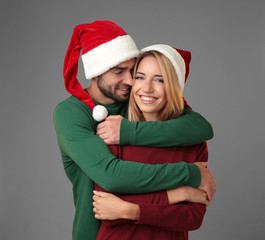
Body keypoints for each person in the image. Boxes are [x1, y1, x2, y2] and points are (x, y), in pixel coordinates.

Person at [53, 21, 215, 240]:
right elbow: (111, 179)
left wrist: (129, 131)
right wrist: (187, 179)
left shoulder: (137, 102)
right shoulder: (72, 113)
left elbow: (200, 126)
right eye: (119, 72)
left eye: (133, 71)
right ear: (96, 72)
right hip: (97, 233)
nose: (130, 81)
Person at [93, 45, 213, 239]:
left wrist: (130, 210)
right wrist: (179, 194)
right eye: (140, 77)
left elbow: (192, 217)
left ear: (175, 87)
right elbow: (105, 207)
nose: (147, 88)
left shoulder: (193, 142)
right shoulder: (113, 132)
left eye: (160, 80)